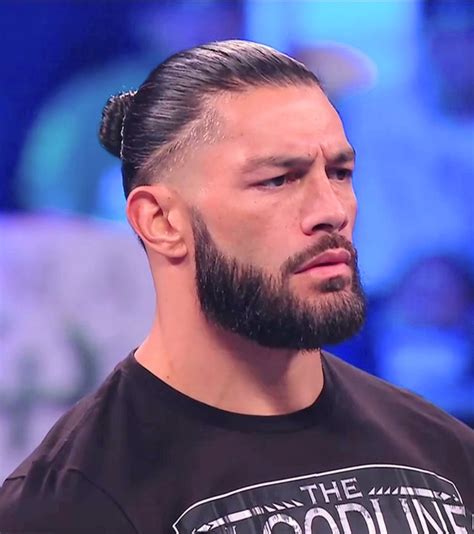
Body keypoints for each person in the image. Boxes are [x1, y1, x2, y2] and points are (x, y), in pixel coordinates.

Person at [0, 40, 472, 533]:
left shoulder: (443, 452)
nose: (332, 210)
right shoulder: (74, 503)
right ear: (161, 221)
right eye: (278, 180)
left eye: (339, 173)